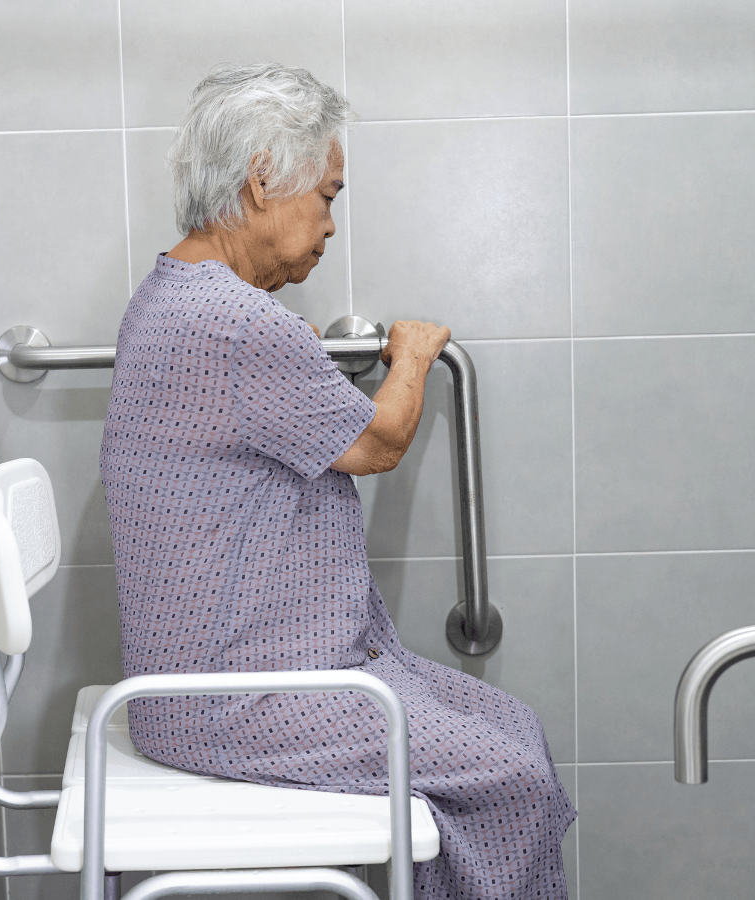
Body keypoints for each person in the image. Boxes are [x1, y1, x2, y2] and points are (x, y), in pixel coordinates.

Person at [100, 62, 575, 900]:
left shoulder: (176, 297)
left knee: (515, 729)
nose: (328, 224)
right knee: (513, 782)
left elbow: (248, 419)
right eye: (326, 195)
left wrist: (297, 354)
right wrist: (416, 352)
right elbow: (383, 439)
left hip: (221, 678)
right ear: (261, 181)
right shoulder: (236, 322)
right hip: (240, 698)